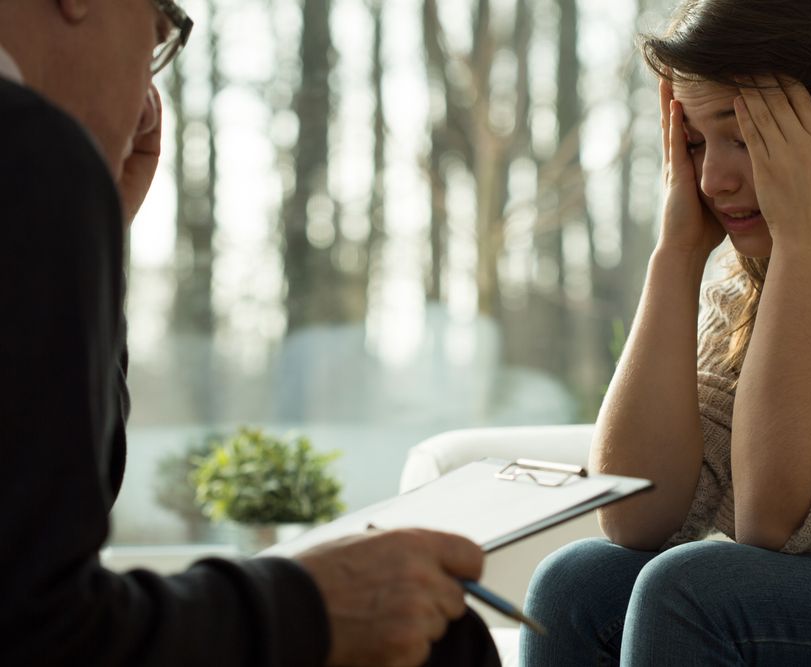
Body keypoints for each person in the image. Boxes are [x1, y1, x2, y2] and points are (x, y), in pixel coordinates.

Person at [0, 1, 500, 665]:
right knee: (439, 637)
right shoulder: (29, 152)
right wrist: (316, 603)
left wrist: (94, 248)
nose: (147, 99)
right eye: (157, 34)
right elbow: (42, 632)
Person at [520, 0, 811, 664]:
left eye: (745, 137)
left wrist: (806, 245)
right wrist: (678, 254)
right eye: (693, 141)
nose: (714, 178)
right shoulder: (756, 269)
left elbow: (774, 520)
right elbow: (634, 512)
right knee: (577, 582)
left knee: (692, 590)